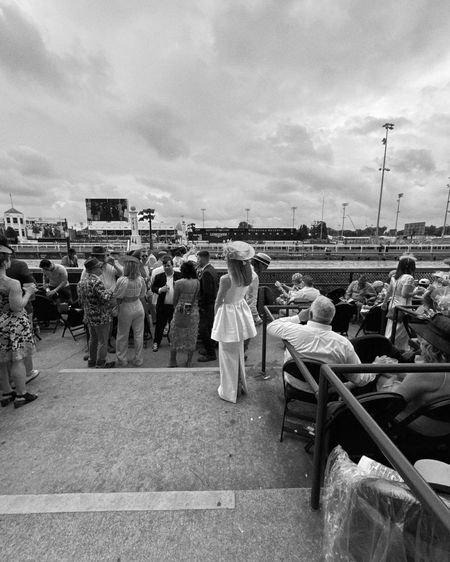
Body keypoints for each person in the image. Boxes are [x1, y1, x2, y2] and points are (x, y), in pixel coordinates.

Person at [267, 296, 375, 392]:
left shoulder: (294, 330)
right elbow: (360, 380)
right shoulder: (343, 344)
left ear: (310, 314)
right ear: (332, 317)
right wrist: (375, 367)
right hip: (325, 390)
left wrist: (298, 317)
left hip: (294, 381)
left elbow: (271, 326)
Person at [377, 315, 450, 418]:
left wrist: (380, 377)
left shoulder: (426, 372)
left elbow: (393, 402)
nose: (420, 340)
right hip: (444, 424)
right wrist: (398, 371)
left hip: (420, 425)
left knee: (380, 380)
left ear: (430, 347)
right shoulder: (442, 368)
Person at [211, 241, 257, 403]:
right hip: (239, 311)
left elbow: (218, 302)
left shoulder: (226, 279)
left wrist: (216, 321)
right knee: (237, 352)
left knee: (227, 356)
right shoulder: (248, 274)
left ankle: (229, 391)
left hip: (228, 315)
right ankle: (239, 385)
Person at [0, 242, 38, 408]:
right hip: (14, 325)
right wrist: (29, 292)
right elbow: (17, 306)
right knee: (17, 359)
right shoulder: (11, 283)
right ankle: (21, 395)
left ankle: (6, 393)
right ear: (6, 261)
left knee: (1, 360)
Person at [77, 258, 115, 368]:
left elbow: (80, 301)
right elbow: (105, 298)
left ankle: (91, 360)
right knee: (103, 341)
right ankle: (101, 362)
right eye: (99, 267)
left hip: (89, 316)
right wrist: (110, 291)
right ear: (94, 269)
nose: (101, 269)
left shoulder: (81, 282)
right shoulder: (97, 282)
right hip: (101, 316)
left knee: (93, 339)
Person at [113, 256, 147, 367]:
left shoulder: (122, 280)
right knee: (138, 335)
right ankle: (138, 359)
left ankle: (122, 359)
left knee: (123, 334)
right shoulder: (140, 279)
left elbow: (118, 296)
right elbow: (143, 294)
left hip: (126, 307)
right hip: (138, 305)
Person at [169, 261, 200, 368]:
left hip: (181, 309)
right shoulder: (197, 282)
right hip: (193, 310)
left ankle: (173, 361)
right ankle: (189, 361)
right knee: (192, 335)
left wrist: (176, 307)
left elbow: (175, 300)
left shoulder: (178, 283)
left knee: (175, 334)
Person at [382, 255, 416, 351]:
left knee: (390, 330)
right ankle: (391, 350)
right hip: (403, 308)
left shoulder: (394, 276)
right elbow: (405, 294)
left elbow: (389, 291)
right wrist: (417, 292)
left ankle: (388, 348)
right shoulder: (409, 278)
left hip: (392, 306)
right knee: (399, 333)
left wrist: (384, 303)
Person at [151, 255, 182, 352]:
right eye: (165, 266)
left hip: (175, 305)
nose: (166, 267)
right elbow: (153, 288)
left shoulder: (179, 276)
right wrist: (160, 289)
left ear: (173, 266)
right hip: (163, 306)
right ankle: (156, 342)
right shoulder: (159, 277)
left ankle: (172, 340)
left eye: (168, 265)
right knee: (160, 325)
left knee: (174, 325)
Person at [196, 250, 218, 362]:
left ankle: (210, 353)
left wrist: (201, 304)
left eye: (198, 258)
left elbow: (207, 293)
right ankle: (210, 348)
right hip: (211, 304)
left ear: (204, 258)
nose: (197, 261)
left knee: (203, 329)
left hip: (207, 305)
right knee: (209, 328)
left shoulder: (206, 273)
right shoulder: (211, 270)